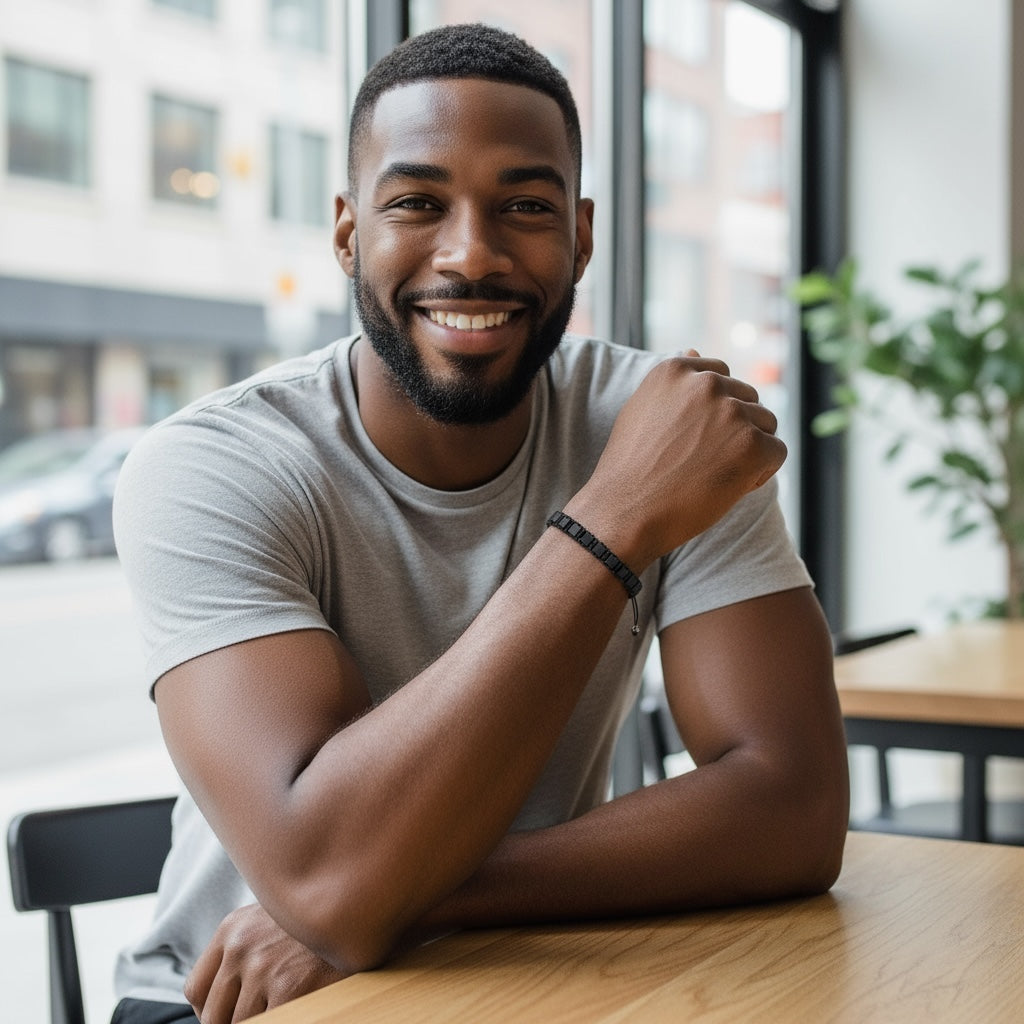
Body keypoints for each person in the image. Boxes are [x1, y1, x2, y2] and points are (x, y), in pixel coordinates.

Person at [110, 22, 849, 1024]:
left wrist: (414, 893)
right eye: (417, 202)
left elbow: (793, 810)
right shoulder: (213, 465)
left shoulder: (668, 428)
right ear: (346, 233)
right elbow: (328, 878)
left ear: (581, 235)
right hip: (232, 996)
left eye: (524, 206)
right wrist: (614, 516)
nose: (472, 252)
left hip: (516, 963)